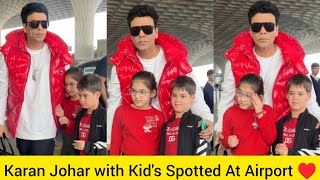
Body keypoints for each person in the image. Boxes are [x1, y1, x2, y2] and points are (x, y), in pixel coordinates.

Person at [107, 5, 213, 148]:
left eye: (147, 29)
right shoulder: (120, 65)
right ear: (131, 35)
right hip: (136, 140)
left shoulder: (177, 60)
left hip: (171, 136)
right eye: (135, 30)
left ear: (156, 32)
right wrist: (109, 141)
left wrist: (208, 119)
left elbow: (195, 96)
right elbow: (114, 104)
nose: (141, 34)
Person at [215, 0, 320, 146]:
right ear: (250, 31)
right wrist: (221, 128)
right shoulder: (234, 62)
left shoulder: (293, 60)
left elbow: (308, 97)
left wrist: (317, 119)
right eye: (257, 27)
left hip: (286, 133)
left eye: (269, 26)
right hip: (249, 134)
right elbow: (226, 100)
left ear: (277, 29)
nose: (263, 31)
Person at [0, 2, 73, 155]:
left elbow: (70, 88)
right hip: (21, 125)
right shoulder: (9, 54)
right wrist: (0, 121)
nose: (40, 28)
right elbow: (2, 88)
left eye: (44, 23)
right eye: (34, 23)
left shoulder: (58, 54)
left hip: (47, 125)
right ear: (25, 27)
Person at [110, 71, 165, 155]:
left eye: (142, 92)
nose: (137, 96)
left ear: (153, 93)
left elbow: (163, 146)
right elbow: (115, 142)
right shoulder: (121, 112)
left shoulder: (159, 116)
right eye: (134, 91)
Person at [221, 74, 276, 155]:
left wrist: (260, 114)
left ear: (260, 97)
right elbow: (224, 140)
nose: (242, 99)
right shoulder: (229, 113)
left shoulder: (267, 110)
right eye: (240, 93)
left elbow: (271, 139)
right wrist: (228, 141)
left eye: (248, 96)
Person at [160, 76, 210, 155]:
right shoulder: (166, 125)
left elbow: (203, 152)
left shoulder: (198, 122)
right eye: (174, 95)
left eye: (182, 96)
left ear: (192, 98)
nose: (177, 100)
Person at [272, 74, 320, 155]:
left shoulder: (315, 123)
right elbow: (271, 146)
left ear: (308, 96)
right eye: (291, 93)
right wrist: (275, 148)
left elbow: (318, 153)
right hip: (282, 167)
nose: (295, 98)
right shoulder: (280, 123)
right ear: (287, 95)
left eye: (300, 94)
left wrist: (290, 153)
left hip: (304, 167)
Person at [73, 74, 107, 155]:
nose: (81, 100)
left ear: (97, 95)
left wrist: (88, 147)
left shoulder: (105, 116)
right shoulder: (80, 115)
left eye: (85, 96)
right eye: (80, 95)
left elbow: (109, 145)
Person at [55, 67, 83, 155]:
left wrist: (68, 122)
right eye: (66, 84)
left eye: (72, 84)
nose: (68, 88)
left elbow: (86, 126)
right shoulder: (64, 101)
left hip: (81, 147)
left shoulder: (85, 103)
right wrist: (60, 118)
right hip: (66, 144)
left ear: (81, 83)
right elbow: (62, 127)